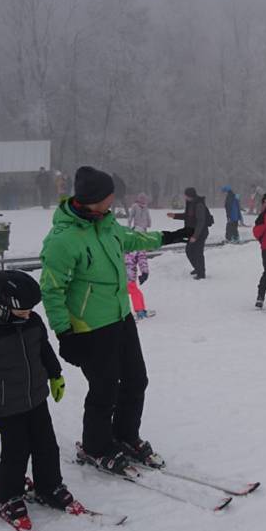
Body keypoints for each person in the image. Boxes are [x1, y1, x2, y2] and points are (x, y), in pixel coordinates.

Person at [39, 166, 190, 476]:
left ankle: (124, 435)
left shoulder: (106, 224)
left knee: (136, 380)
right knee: (104, 389)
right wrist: (64, 333)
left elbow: (131, 239)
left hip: (121, 318)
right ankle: (95, 446)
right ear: (92, 199)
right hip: (90, 328)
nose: (113, 201)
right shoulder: (62, 240)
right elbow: (52, 290)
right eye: (108, 197)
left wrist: (168, 236)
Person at [0, 270, 84, 530]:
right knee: (16, 451)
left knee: (46, 445)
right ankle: (7, 496)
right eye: (22, 311)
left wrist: (55, 374)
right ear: (1, 307)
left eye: (30, 309)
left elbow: (44, 349)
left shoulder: (32, 321)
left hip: (36, 398)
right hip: (6, 406)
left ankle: (49, 486)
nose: (28, 314)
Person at [168, 187, 211, 279]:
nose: (184, 197)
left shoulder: (199, 205)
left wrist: (195, 236)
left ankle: (201, 274)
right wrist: (175, 216)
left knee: (198, 252)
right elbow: (187, 216)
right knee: (189, 251)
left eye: (186, 195)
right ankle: (197, 268)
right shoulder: (190, 203)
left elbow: (201, 222)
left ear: (190, 195)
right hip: (192, 231)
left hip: (200, 232)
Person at [126, 193, 153, 319]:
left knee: (131, 292)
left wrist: (148, 223)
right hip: (128, 275)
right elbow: (142, 261)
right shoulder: (135, 206)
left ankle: (139, 311)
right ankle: (140, 311)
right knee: (135, 292)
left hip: (122, 274)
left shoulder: (124, 243)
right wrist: (145, 272)